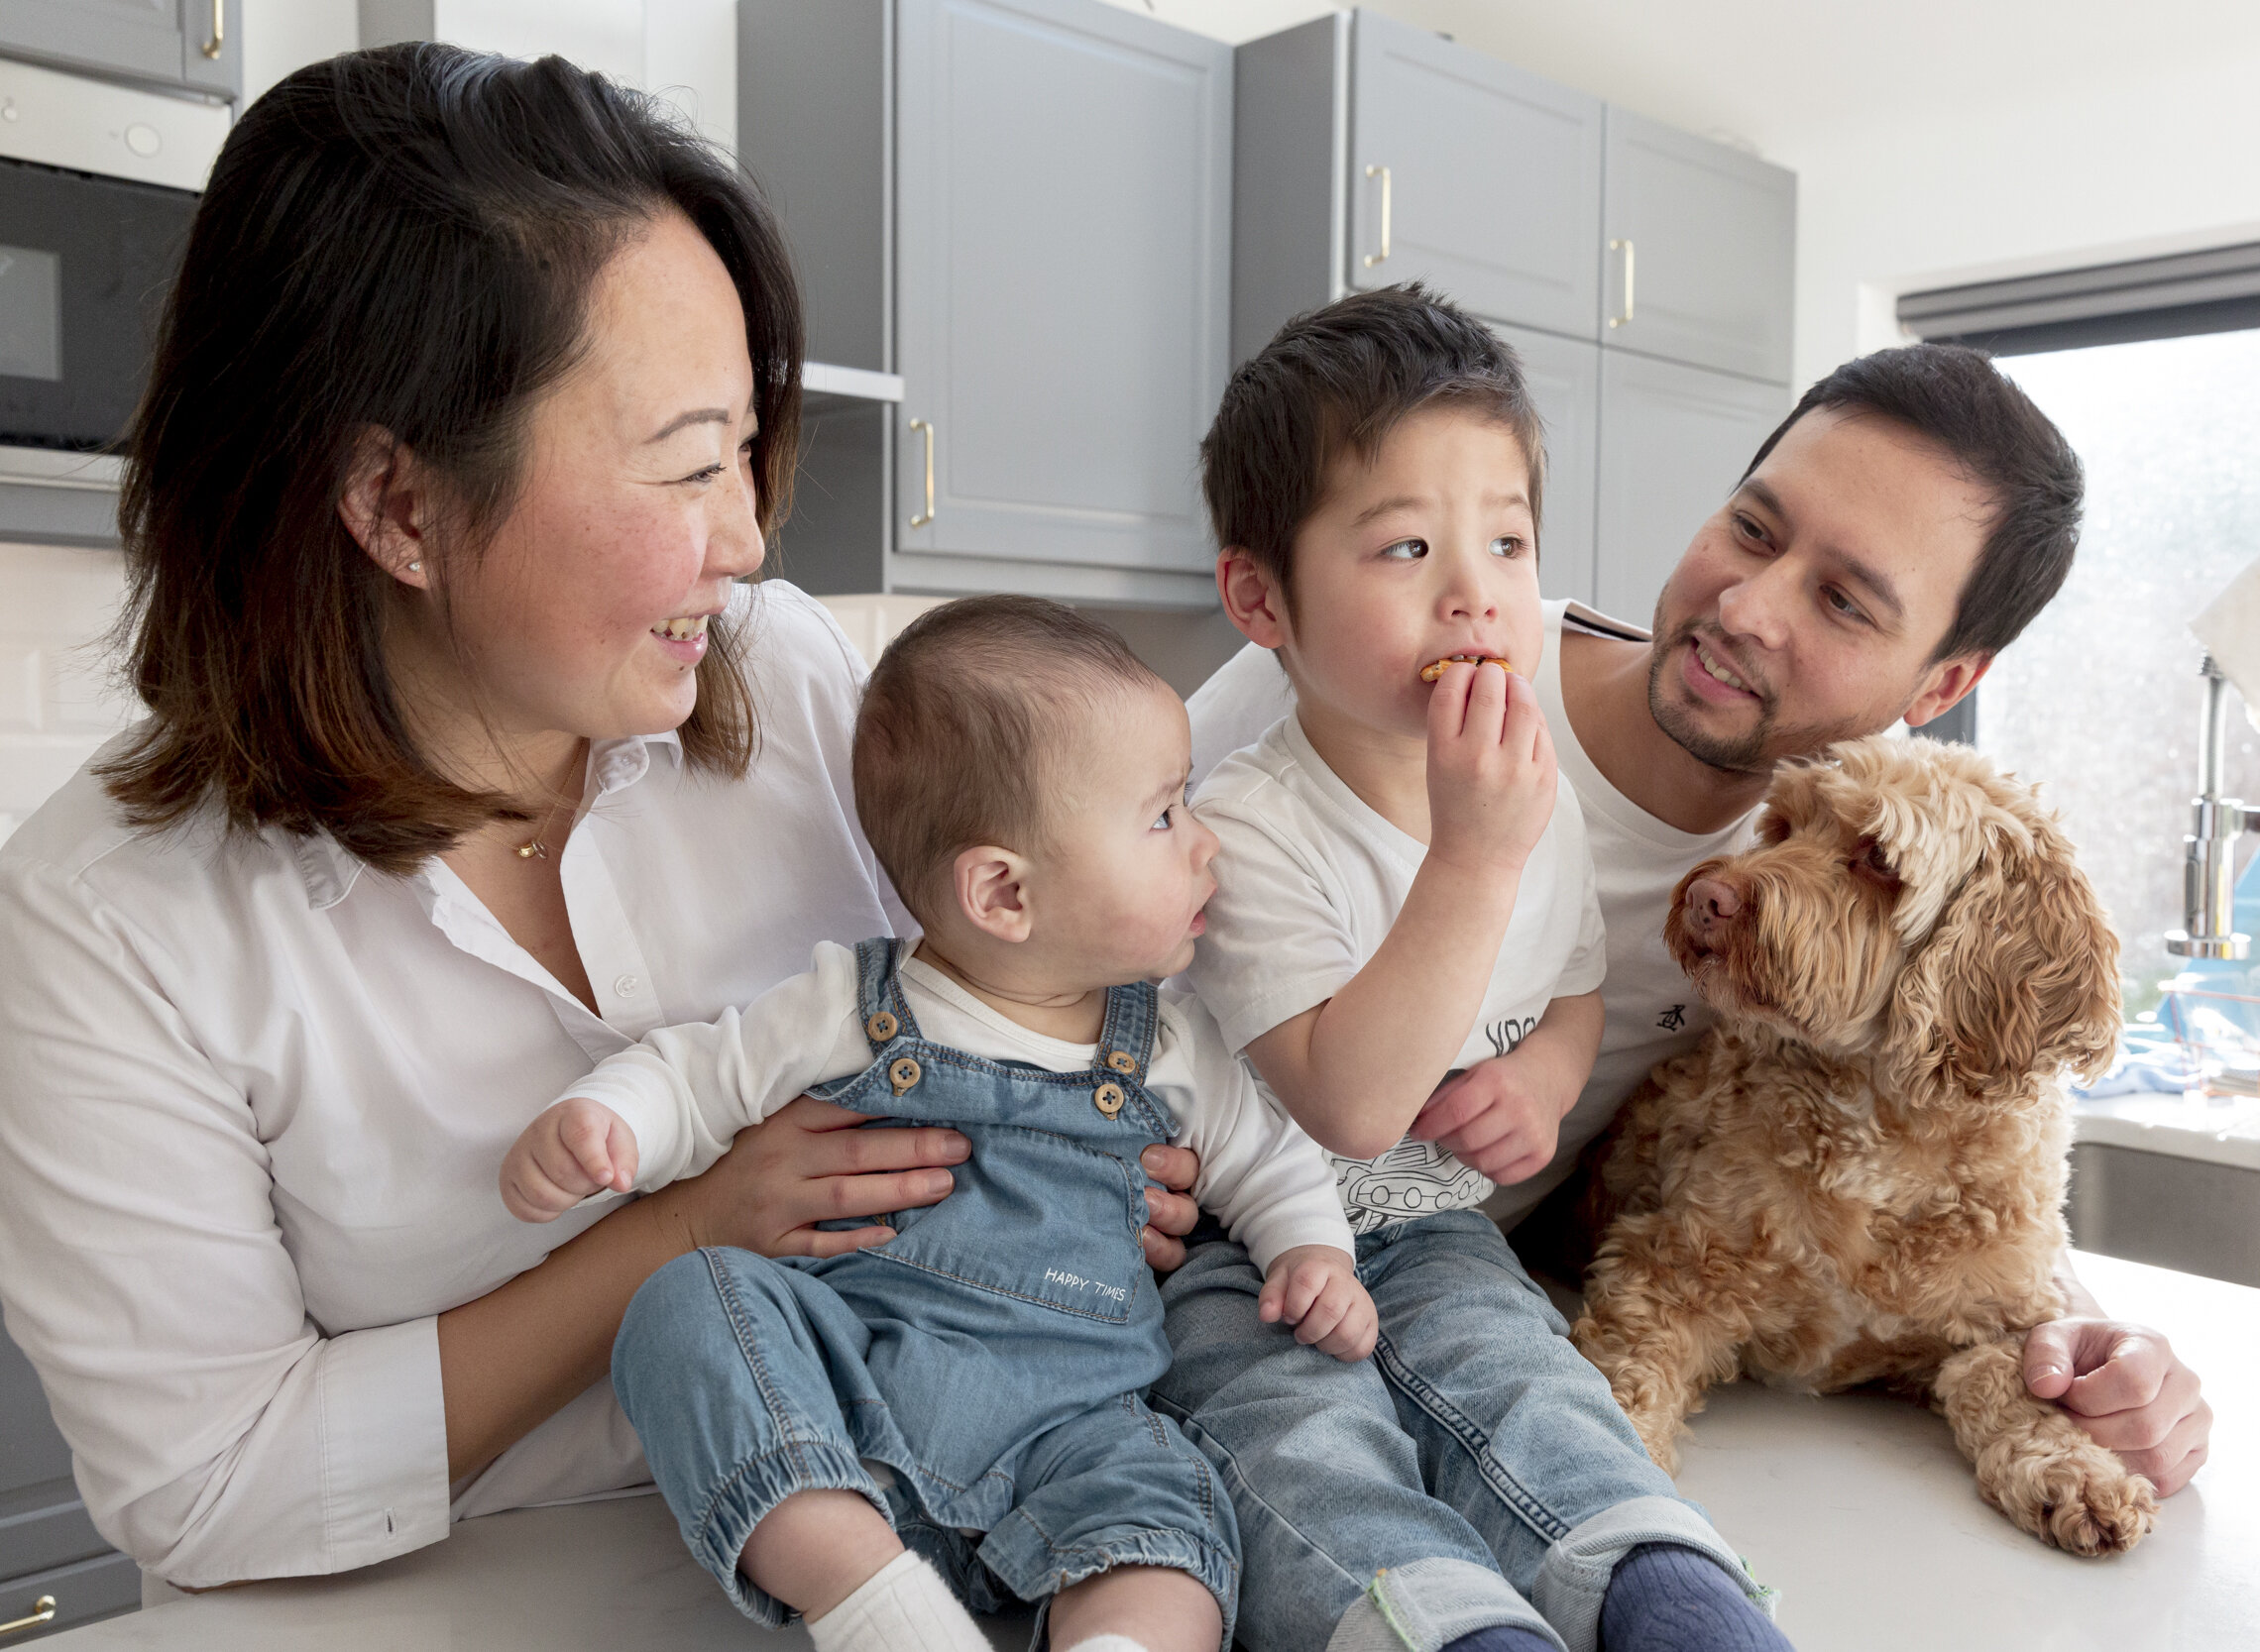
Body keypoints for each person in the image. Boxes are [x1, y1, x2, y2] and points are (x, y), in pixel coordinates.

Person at [0, 47, 1208, 1589]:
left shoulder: (794, 679)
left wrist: (1097, 1154)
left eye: (746, 452)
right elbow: (209, 1481)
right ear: (400, 508)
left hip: (954, 1529)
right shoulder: (106, 915)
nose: (751, 535)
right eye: (690, 466)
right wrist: (685, 1228)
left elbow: (1021, 984)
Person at [1185, 315, 2215, 1504]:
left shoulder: (1823, 907)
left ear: (1938, 687)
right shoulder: (1374, 665)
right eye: (1752, 528)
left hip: (1447, 1299)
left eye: (1842, 600)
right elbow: (997, 883)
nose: (1747, 607)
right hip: (1210, 1248)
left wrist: (2084, 1339)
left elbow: (1925, 1130)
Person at [500, 598, 1371, 1652]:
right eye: (1163, 814)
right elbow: (699, 1077)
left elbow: (1269, 1158)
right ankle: (871, 1601)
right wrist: (607, 1119)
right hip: (849, 1409)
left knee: (1170, 1523)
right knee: (682, 1302)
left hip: (1080, 1431)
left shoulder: (1171, 1041)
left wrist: (1313, 1250)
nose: (1203, 842)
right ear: (1003, 890)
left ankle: (1117, 1639)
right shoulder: (850, 1005)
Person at [1164, 287, 1793, 1652]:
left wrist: (1546, 1074)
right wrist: (1470, 860)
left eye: (1507, 541)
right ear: (1258, 596)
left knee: (1535, 1392)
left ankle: (1676, 1603)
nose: (1476, 592)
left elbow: (1576, 978)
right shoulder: (1249, 825)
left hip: (1439, 1229)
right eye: (1405, 546)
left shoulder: (1526, 787)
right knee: (1299, 1448)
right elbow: (1348, 1102)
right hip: (1242, 1245)